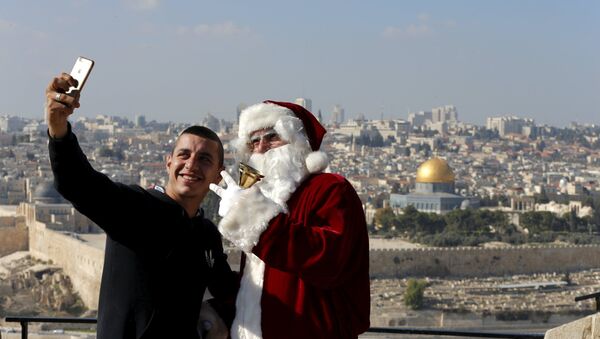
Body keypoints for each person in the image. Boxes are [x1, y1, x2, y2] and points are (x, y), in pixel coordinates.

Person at [45, 73, 237, 339]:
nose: (191, 164)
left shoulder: (206, 234)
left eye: (204, 158)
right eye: (184, 154)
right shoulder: (136, 207)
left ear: (218, 174)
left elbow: (231, 289)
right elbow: (78, 183)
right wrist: (58, 128)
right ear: (169, 162)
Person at [210, 100, 371, 339]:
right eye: (254, 141)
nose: (262, 147)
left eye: (271, 136)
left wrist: (253, 215)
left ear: (297, 141)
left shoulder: (330, 189)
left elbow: (328, 260)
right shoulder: (261, 197)